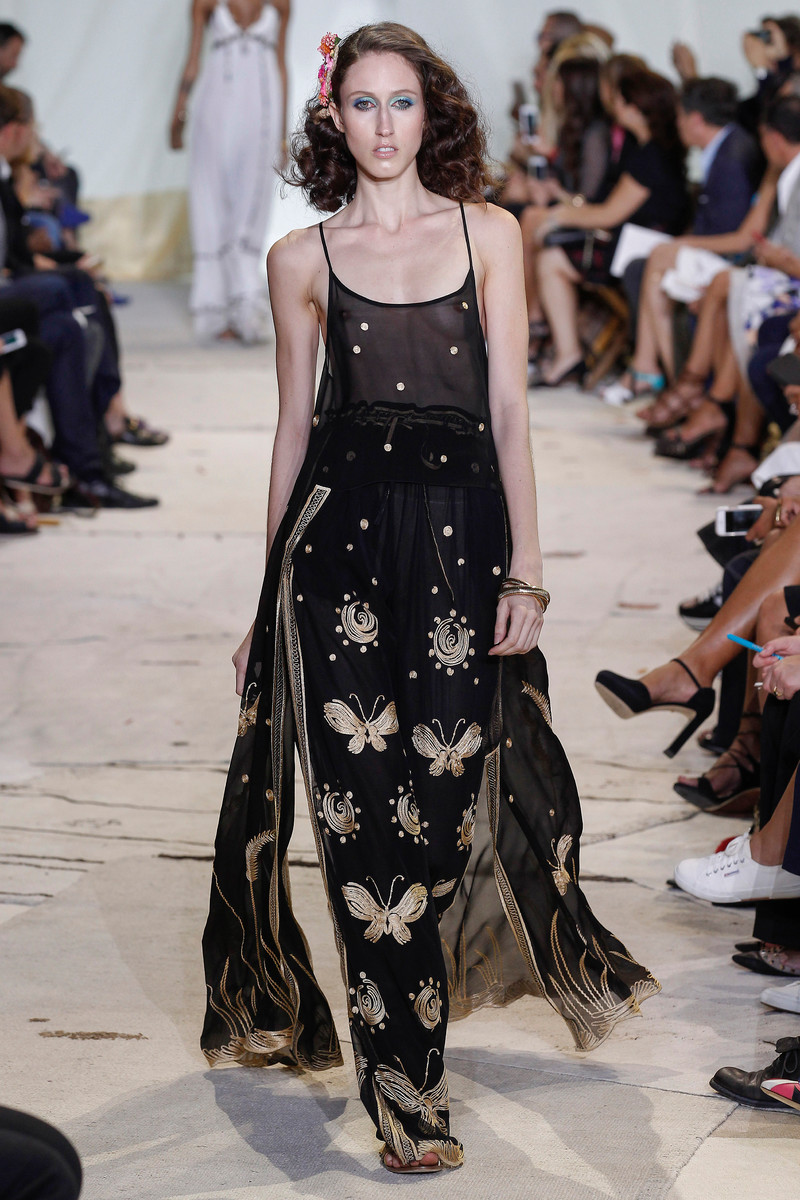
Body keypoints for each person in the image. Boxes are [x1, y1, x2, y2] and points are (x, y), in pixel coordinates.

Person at [200, 22, 659, 1175]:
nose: (383, 125)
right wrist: (263, 600)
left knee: (443, 812)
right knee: (363, 825)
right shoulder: (300, 259)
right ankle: (406, 1091)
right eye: (361, 103)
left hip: (460, 550)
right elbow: (292, 433)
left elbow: (508, 412)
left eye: (400, 102)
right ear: (334, 117)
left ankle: (421, 1018)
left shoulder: (488, 233)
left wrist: (528, 569)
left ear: (430, 111)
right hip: (334, 558)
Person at [531, 68, 689, 386]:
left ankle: (568, 355)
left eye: (619, 100)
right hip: (635, 242)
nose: (613, 106)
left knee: (551, 260)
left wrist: (558, 217)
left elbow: (609, 214)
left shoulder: (651, 156)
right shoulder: (650, 148)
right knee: (550, 253)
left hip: (635, 248)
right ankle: (566, 353)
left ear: (635, 108)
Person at [170, 0, 290, 343]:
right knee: (210, 194)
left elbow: (281, 65)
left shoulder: (280, 4)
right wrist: (178, 113)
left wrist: (283, 135)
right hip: (217, 102)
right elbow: (193, 59)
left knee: (252, 198)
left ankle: (245, 307)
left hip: (262, 106)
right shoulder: (206, 3)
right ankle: (215, 311)